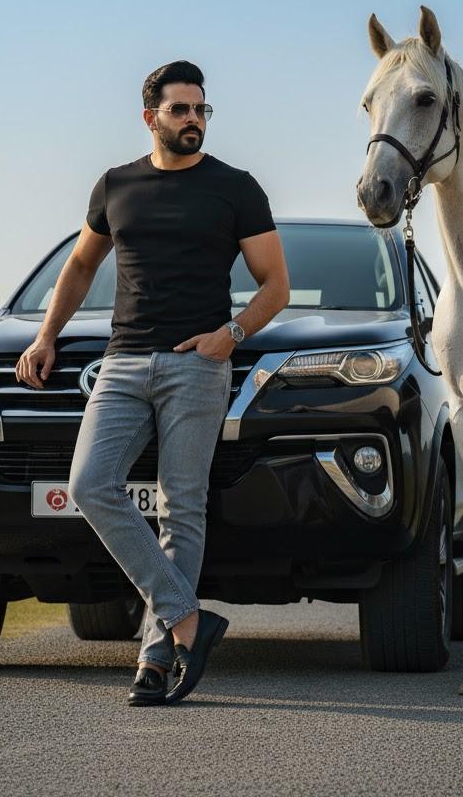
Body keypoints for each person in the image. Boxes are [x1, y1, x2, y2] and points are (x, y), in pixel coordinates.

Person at [15, 59, 289, 705]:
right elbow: (81, 267)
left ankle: (154, 659)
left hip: (198, 363)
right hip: (123, 360)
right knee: (90, 483)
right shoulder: (115, 185)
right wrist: (45, 334)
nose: (193, 120)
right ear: (150, 118)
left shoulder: (236, 189)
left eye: (201, 110)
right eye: (180, 110)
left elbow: (274, 284)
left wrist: (233, 335)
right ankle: (188, 620)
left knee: (181, 508)